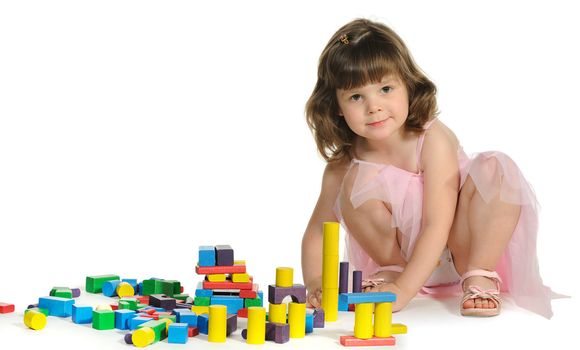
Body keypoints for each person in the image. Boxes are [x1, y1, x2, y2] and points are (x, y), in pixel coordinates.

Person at [301, 18, 556, 318]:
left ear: (407, 85)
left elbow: (438, 222)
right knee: (352, 183)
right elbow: (319, 230)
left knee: (494, 170)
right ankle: (393, 268)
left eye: (385, 88)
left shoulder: (432, 138)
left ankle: (479, 274)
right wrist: (316, 283)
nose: (374, 106)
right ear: (336, 107)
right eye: (356, 96)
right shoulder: (344, 164)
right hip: (403, 262)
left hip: (459, 247)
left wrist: (404, 293)